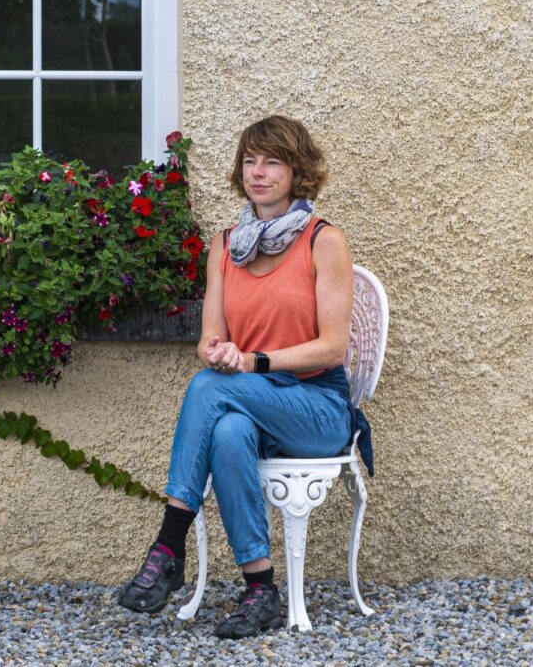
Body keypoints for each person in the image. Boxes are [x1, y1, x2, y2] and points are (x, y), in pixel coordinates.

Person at [115, 115, 369, 638]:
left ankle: (168, 543)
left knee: (212, 389)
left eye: (272, 161)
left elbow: (332, 345)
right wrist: (222, 355)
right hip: (248, 397)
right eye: (250, 161)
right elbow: (209, 343)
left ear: (297, 172)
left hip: (316, 406)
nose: (258, 172)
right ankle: (261, 588)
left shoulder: (324, 241)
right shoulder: (225, 246)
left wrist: (251, 362)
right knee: (228, 429)